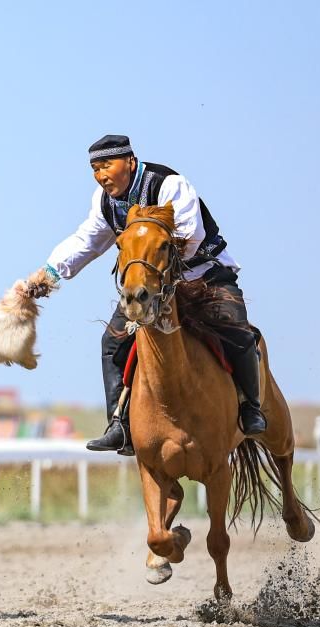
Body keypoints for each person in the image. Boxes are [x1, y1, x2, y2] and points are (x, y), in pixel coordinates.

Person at [31, 134, 264, 455]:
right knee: (111, 341)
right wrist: (50, 272)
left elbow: (190, 235)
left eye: (106, 165)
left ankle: (251, 407)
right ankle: (120, 424)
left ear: (129, 161)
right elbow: (87, 241)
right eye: (95, 169)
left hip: (203, 274)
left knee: (236, 326)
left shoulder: (169, 184)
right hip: (153, 288)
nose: (101, 175)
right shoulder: (104, 201)